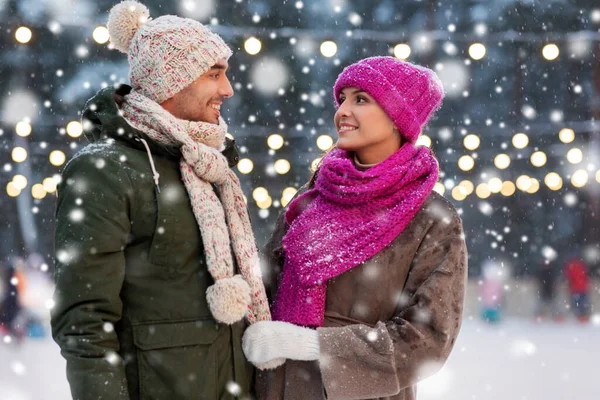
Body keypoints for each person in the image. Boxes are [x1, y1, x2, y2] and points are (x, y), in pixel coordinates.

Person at [50, 2, 274, 399]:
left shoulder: (210, 165)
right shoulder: (105, 171)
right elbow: (85, 320)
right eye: (214, 75)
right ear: (172, 82)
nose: (228, 89)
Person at [242, 57, 468, 400]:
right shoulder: (313, 196)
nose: (343, 111)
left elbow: (428, 338)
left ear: (398, 117)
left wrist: (313, 345)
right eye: (342, 98)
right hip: (278, 389)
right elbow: (263, 285)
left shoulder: (432, 218)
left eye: (361, 99)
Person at [564, 257, 591, 323]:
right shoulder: (582, 265)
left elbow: (568, 278)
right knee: (583, 303)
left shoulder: (569, 266)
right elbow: (586, 276)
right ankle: (583, 316)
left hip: (575, 289)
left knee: (576, 303)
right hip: (582, 288)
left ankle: (579, 316)